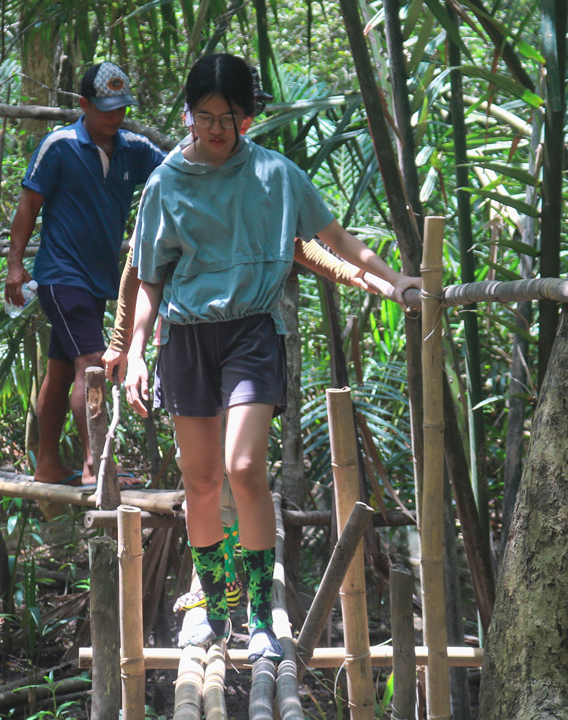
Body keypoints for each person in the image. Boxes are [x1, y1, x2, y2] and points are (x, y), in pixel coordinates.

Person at [119, 53, 422, 661]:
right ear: (187, 114)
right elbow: (148, 278)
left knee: (243, 465)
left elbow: (337, 241)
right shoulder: (165, 183)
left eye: (225, 119)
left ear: (248, 119)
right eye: (201, 117)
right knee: (201, 480)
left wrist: (397, 281)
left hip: (254, 331)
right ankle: (214, 607)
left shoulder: (276, 176)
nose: (210, 130)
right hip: (187, 337)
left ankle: (260, 617)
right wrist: (133, 353)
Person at [5, 61, 165, 488]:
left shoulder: (135, 148)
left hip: (97, 283)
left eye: (120, 108)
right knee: (92, 365)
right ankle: (97, 465)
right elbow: (27, 206)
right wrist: (15, 265)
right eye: (105, 107)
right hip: (61, 276)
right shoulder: (58, 146)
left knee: (61, 371)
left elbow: (177, 173)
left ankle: (48, 465)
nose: (114, 116)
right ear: (84, 104)